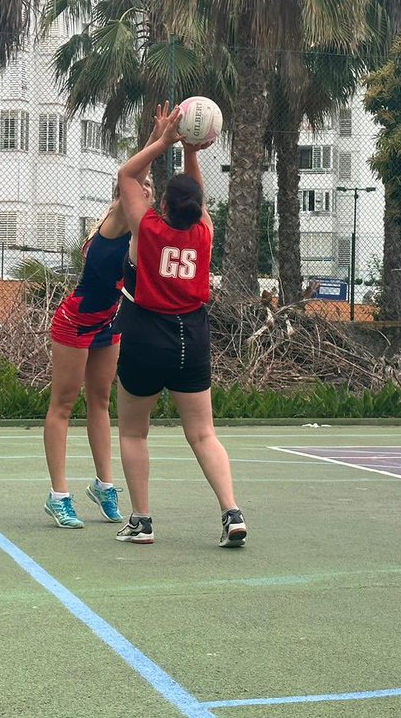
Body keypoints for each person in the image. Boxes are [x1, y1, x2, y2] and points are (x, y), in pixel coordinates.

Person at [113, 102, 246, 546]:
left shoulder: (147, 228)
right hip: (193, 335)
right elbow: (196, 198)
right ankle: (231, 512)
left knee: (133, 430)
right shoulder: (204, 231)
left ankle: (143, 520)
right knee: (203, 433)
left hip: (147, 334)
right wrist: (191, 150)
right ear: (196, 209)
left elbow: (128, 177)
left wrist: (164, 140)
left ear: (164, 204)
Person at [41, 126, 159, 528]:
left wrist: (153, 145)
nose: (148, 191)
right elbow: (130, 176)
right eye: (143, 186)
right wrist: (156, 144)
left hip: (110, 323)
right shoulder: (114, 219)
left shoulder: (141, 228)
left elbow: (134, 178)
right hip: (76, 320)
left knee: (101, 402)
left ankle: (104, 485)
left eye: (151, 187)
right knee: (63, 403)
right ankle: (58, 495)